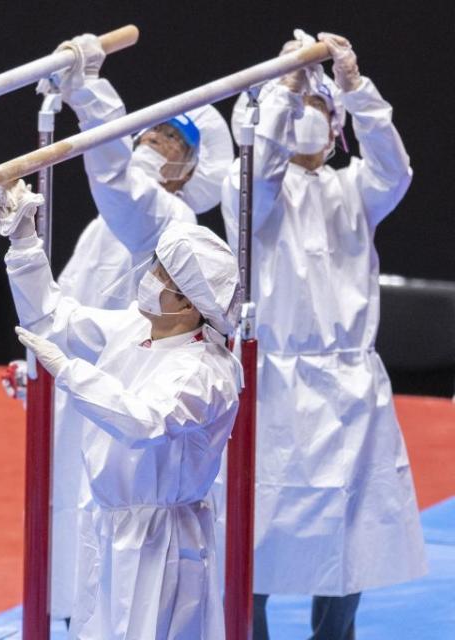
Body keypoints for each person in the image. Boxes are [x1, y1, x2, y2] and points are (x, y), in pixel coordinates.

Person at [18, 33, 233, 622]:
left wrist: (90, 93)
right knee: (78, 533)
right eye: (152, 131)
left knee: (106, 543)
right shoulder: (112, 224)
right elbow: (71, 306)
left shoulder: (168, 218)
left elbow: (114, 177)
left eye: (173, 139)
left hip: (125, 389)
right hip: (101, 366)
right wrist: (22, 248)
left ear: (190, 169)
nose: (155, 141)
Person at [221, 30, 427, 639]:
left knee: (353, 529)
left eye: (320, 108)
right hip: (273, 379)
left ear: (337, 127)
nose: (310, 117)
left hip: (349, 383)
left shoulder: (356, 189)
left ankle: (334, 636)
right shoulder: (251, 192)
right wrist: (287, 85)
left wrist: (353, 83)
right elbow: (260, 167)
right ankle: (247, 632)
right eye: (299, 110)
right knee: (257, 524)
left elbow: (396, 165)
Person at [0, 180, 242, 639]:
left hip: (162, 543)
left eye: (161, 274)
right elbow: (54, 317)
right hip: (109, 526)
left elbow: (145, 421)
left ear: (187, 301)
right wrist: (24, 241)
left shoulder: (207, 371)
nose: (147, 277)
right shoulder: (137, 327)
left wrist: (70, 373)